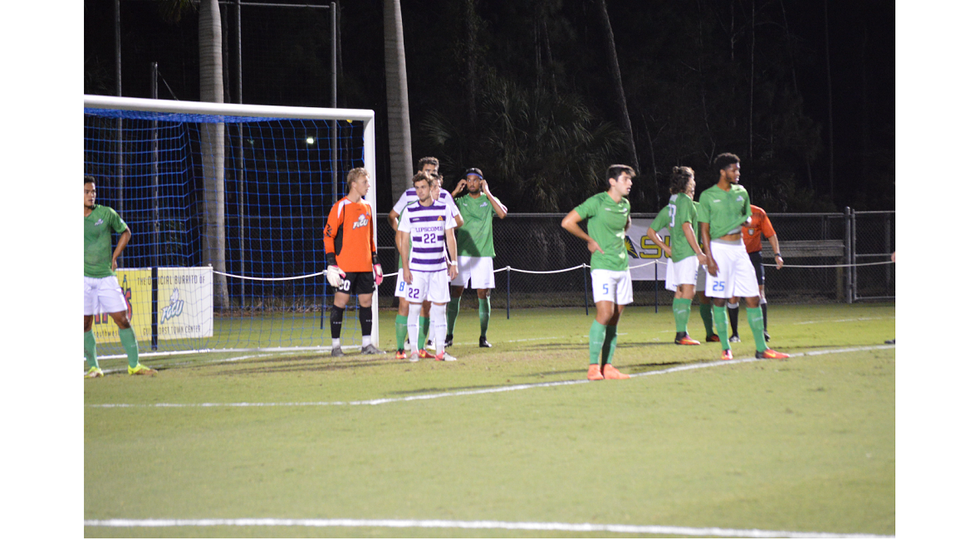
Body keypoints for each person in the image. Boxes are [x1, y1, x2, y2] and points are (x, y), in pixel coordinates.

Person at [698, 153, 788, 360]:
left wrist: (745, 221)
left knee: (754, 297)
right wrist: (709, 258)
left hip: (740, 250)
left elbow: (747, 216)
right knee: (720, 300)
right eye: (733, 169)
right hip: (719, 250)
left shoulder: (742, 192)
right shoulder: (708, 196)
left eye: (738, 169)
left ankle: (761, 348)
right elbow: (704, 229)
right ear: (723, 171)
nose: (737, 173)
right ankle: (725, 348)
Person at [561, 164, 635, 381]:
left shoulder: (625, 205)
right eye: (625, 179)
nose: (629, 183)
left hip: (622, 267)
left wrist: (616, 239)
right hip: (603, 267)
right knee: (604, 314)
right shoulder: (597, 202)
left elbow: (624, 226)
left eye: (630, 180)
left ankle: (608, 367)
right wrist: (590, 240)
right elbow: (567, 222)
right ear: (612, 181)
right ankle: (593, 367)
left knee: (616, 317)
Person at [387, 157, 463, 360]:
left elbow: (450, 236)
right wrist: (405, 267)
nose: (419, 191)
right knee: (413, 308)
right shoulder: (410, 211)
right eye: (417, 187)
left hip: (438, 269)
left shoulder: (443, 208)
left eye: (423, 187)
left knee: (439, 310)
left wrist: (453, 262)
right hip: (417, 269)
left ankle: (440, 352)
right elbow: (403, 240)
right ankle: (411, 351)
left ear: (431, 187)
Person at [83, 176, 157, 377]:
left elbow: (125, 232)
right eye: (87, 192)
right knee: (84, 324)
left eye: (93, 191)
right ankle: (93, 367)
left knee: (123, 319)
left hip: (106, 277)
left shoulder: (106, 213)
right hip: (82, 279)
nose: (91, 195)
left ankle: (134, 365)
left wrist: (115, 256)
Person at [323, 167, 385, 357]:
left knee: (366, 301)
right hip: (345, 266)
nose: (368, 185)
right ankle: (335, 346)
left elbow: (370, 236)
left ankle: (366, 344)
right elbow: (328, 235)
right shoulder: (340, 206)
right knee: (341, 301)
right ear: (354, 184)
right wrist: (332, 262)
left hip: (365, 265)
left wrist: (375, 261)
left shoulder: (367, 207)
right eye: (365, 182)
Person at [645, 167, 708, 345]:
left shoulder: (672, 203)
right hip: (687, 254)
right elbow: (687, 227)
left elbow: (651, 232)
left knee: (680, 292)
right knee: (688, 291)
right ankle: (682, 334)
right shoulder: (685, 201)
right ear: (687, 183)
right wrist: (699, 252)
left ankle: (680, 333)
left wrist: (667, 248)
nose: (694, 183)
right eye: (693, 180)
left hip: (676, 255)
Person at [446, 167, 508, 347]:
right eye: (469, 180)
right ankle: (449, 335)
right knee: (456, 292)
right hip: (462, 255)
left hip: (483, 255)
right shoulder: (460, 200)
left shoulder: (488, 200)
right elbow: (439, 207)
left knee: (483, 294)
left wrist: (488, 192)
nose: (472, 183)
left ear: (481, 181)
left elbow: (503, 213)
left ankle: (483, 337)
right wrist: (455, 191)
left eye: (475, 180)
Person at [727, 204, 783, 343]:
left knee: (759, 293)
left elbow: (771, 234)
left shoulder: (758, 213)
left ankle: (763, 330)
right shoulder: (725, 211)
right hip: (734, 256)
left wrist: (777, 254)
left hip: (753, 257)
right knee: (733, 296)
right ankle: (734, 334)